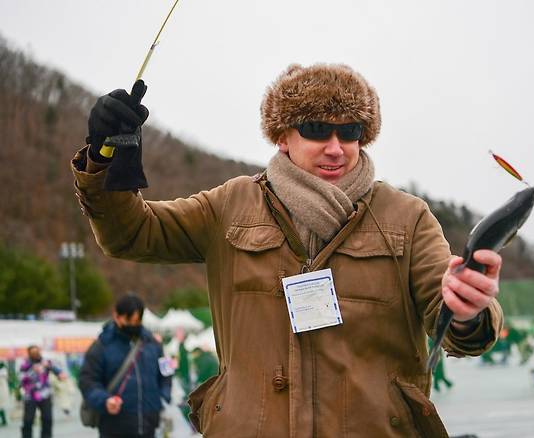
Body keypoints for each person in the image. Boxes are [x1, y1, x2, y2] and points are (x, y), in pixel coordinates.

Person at [71, 63, 504, 437]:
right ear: (281, 135)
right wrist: (106, 156)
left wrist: (468, 309)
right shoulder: (230, 205)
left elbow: (455, 325)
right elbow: (132, 233)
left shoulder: (407, 217)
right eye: (317, 129)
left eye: (350, 132)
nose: (336, 147)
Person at [78, 294, 172, 438]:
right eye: (130, 320)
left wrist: (164, 395)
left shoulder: (154, 343)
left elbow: (166, 372)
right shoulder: (101, 346)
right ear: (117, 316)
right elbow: (87, 381)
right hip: (115, 425)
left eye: (138, 321)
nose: (134, 325)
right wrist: (104, 400)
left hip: (149, 423)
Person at [19, 345, 66, 438]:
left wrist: (60, 374)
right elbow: (21, 379)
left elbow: (60, 374)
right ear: (29, 354)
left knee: (47, 419)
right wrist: (32, 371)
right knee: (28, 421)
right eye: (33, 352)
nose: (36, 354)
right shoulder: (25, 364)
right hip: (30, 396)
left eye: (37, 352)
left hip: (45, 394)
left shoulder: (46, 362)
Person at [0, 361, 9, 427]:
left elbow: (4, 377)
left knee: (1, 406)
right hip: (2, 390)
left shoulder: (3, 371)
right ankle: (4, 420)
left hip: (2, 390)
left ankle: (4, 420)